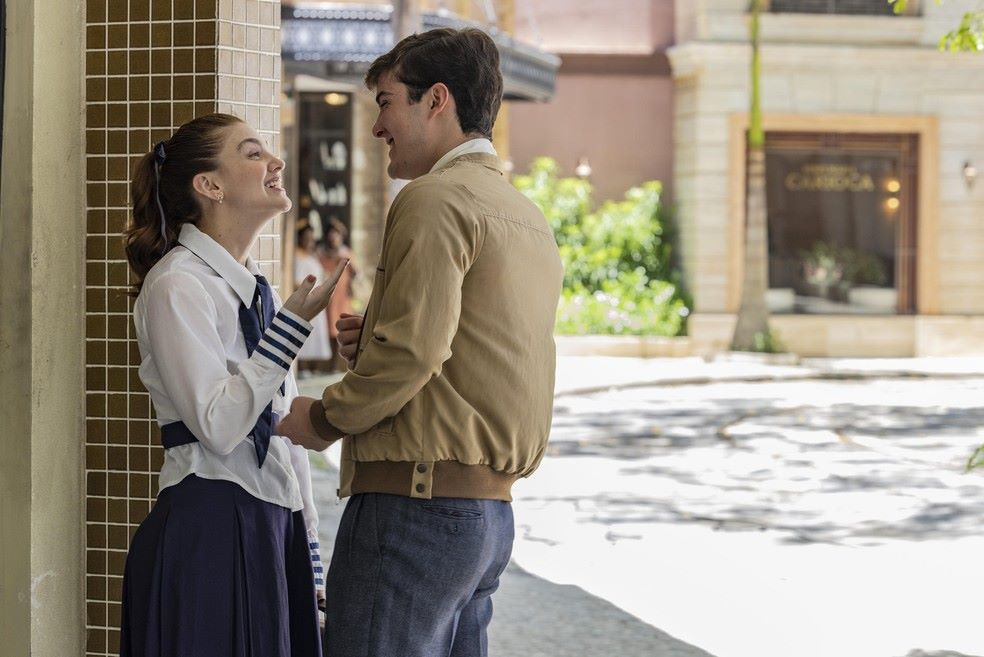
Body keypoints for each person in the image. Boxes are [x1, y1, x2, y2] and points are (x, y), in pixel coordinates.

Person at [277, 28, 564, 657]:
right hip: (485, 520)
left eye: (385, 102)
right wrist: (373, 345)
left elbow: (415, 354)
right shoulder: (523, 213)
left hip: (415, 508)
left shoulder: (433, 199)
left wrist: (323, 418)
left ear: (436, 100)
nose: (377, 126)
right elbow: (478, 351)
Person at [119, 113, 346, 657]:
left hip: (272, 524)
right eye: (252, 153)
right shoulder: (177, 283)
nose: (276, 162)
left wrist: (308, 545)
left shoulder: (257, 292)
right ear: (210, 185)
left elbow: (281, 435)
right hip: (209, 527)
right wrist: (289, 329)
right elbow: (219, 426)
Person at [294, 221, 334, 372]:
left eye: (311, 238)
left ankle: (313, 368)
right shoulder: (296, 255)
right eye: (306, 238)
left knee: (316, 332)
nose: (309, 241)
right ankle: (302, 367)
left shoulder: (314, 255)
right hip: (305, 297)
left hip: (317, 297)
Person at [319, 218, 357, 370]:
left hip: (342, 296)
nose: (333, 237)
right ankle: (326, 365)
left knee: (342, 326)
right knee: (327, 327)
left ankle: (341, 365)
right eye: (331, 234)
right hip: (329, 295)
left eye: (337, 234)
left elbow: (357, 274)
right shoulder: (322, 253)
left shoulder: (346, 253)